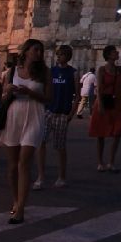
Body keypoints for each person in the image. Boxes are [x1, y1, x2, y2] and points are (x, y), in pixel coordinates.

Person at [0, 39, 51, 224]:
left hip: (35, 115)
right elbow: (3, 96)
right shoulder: (12, 71)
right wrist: (8, 90)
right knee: (12, 166)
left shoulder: (44, 72)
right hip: (14, 115)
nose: (39, 53)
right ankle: (16, 200)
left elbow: (48, 98)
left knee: (24, 163)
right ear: (26, 51)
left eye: (40, 50)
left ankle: (21, 208)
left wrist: (30, 93)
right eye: (36, 50)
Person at [34, 45, 76, 189]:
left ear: (68, 56)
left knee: (60, 146)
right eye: (58, 55)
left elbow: (76, 95)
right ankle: (40, 176)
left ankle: (61, 176)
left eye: (62, 55)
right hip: (49, 111)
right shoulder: (51, 72)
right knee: (41, 142)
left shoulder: (72, 73)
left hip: (62, 113)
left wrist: (71, 113)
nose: (59, 57)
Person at [88, 45, 121, 172]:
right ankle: (100, 162)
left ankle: (111, 161)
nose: (117, 53)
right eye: (114, 52)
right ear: (109, 55)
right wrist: (100, 105)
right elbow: (99, 88)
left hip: (116, 103)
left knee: (118, 132)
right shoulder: (101, 70)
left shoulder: (120, 70)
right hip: (104, 102)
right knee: (101, 133)